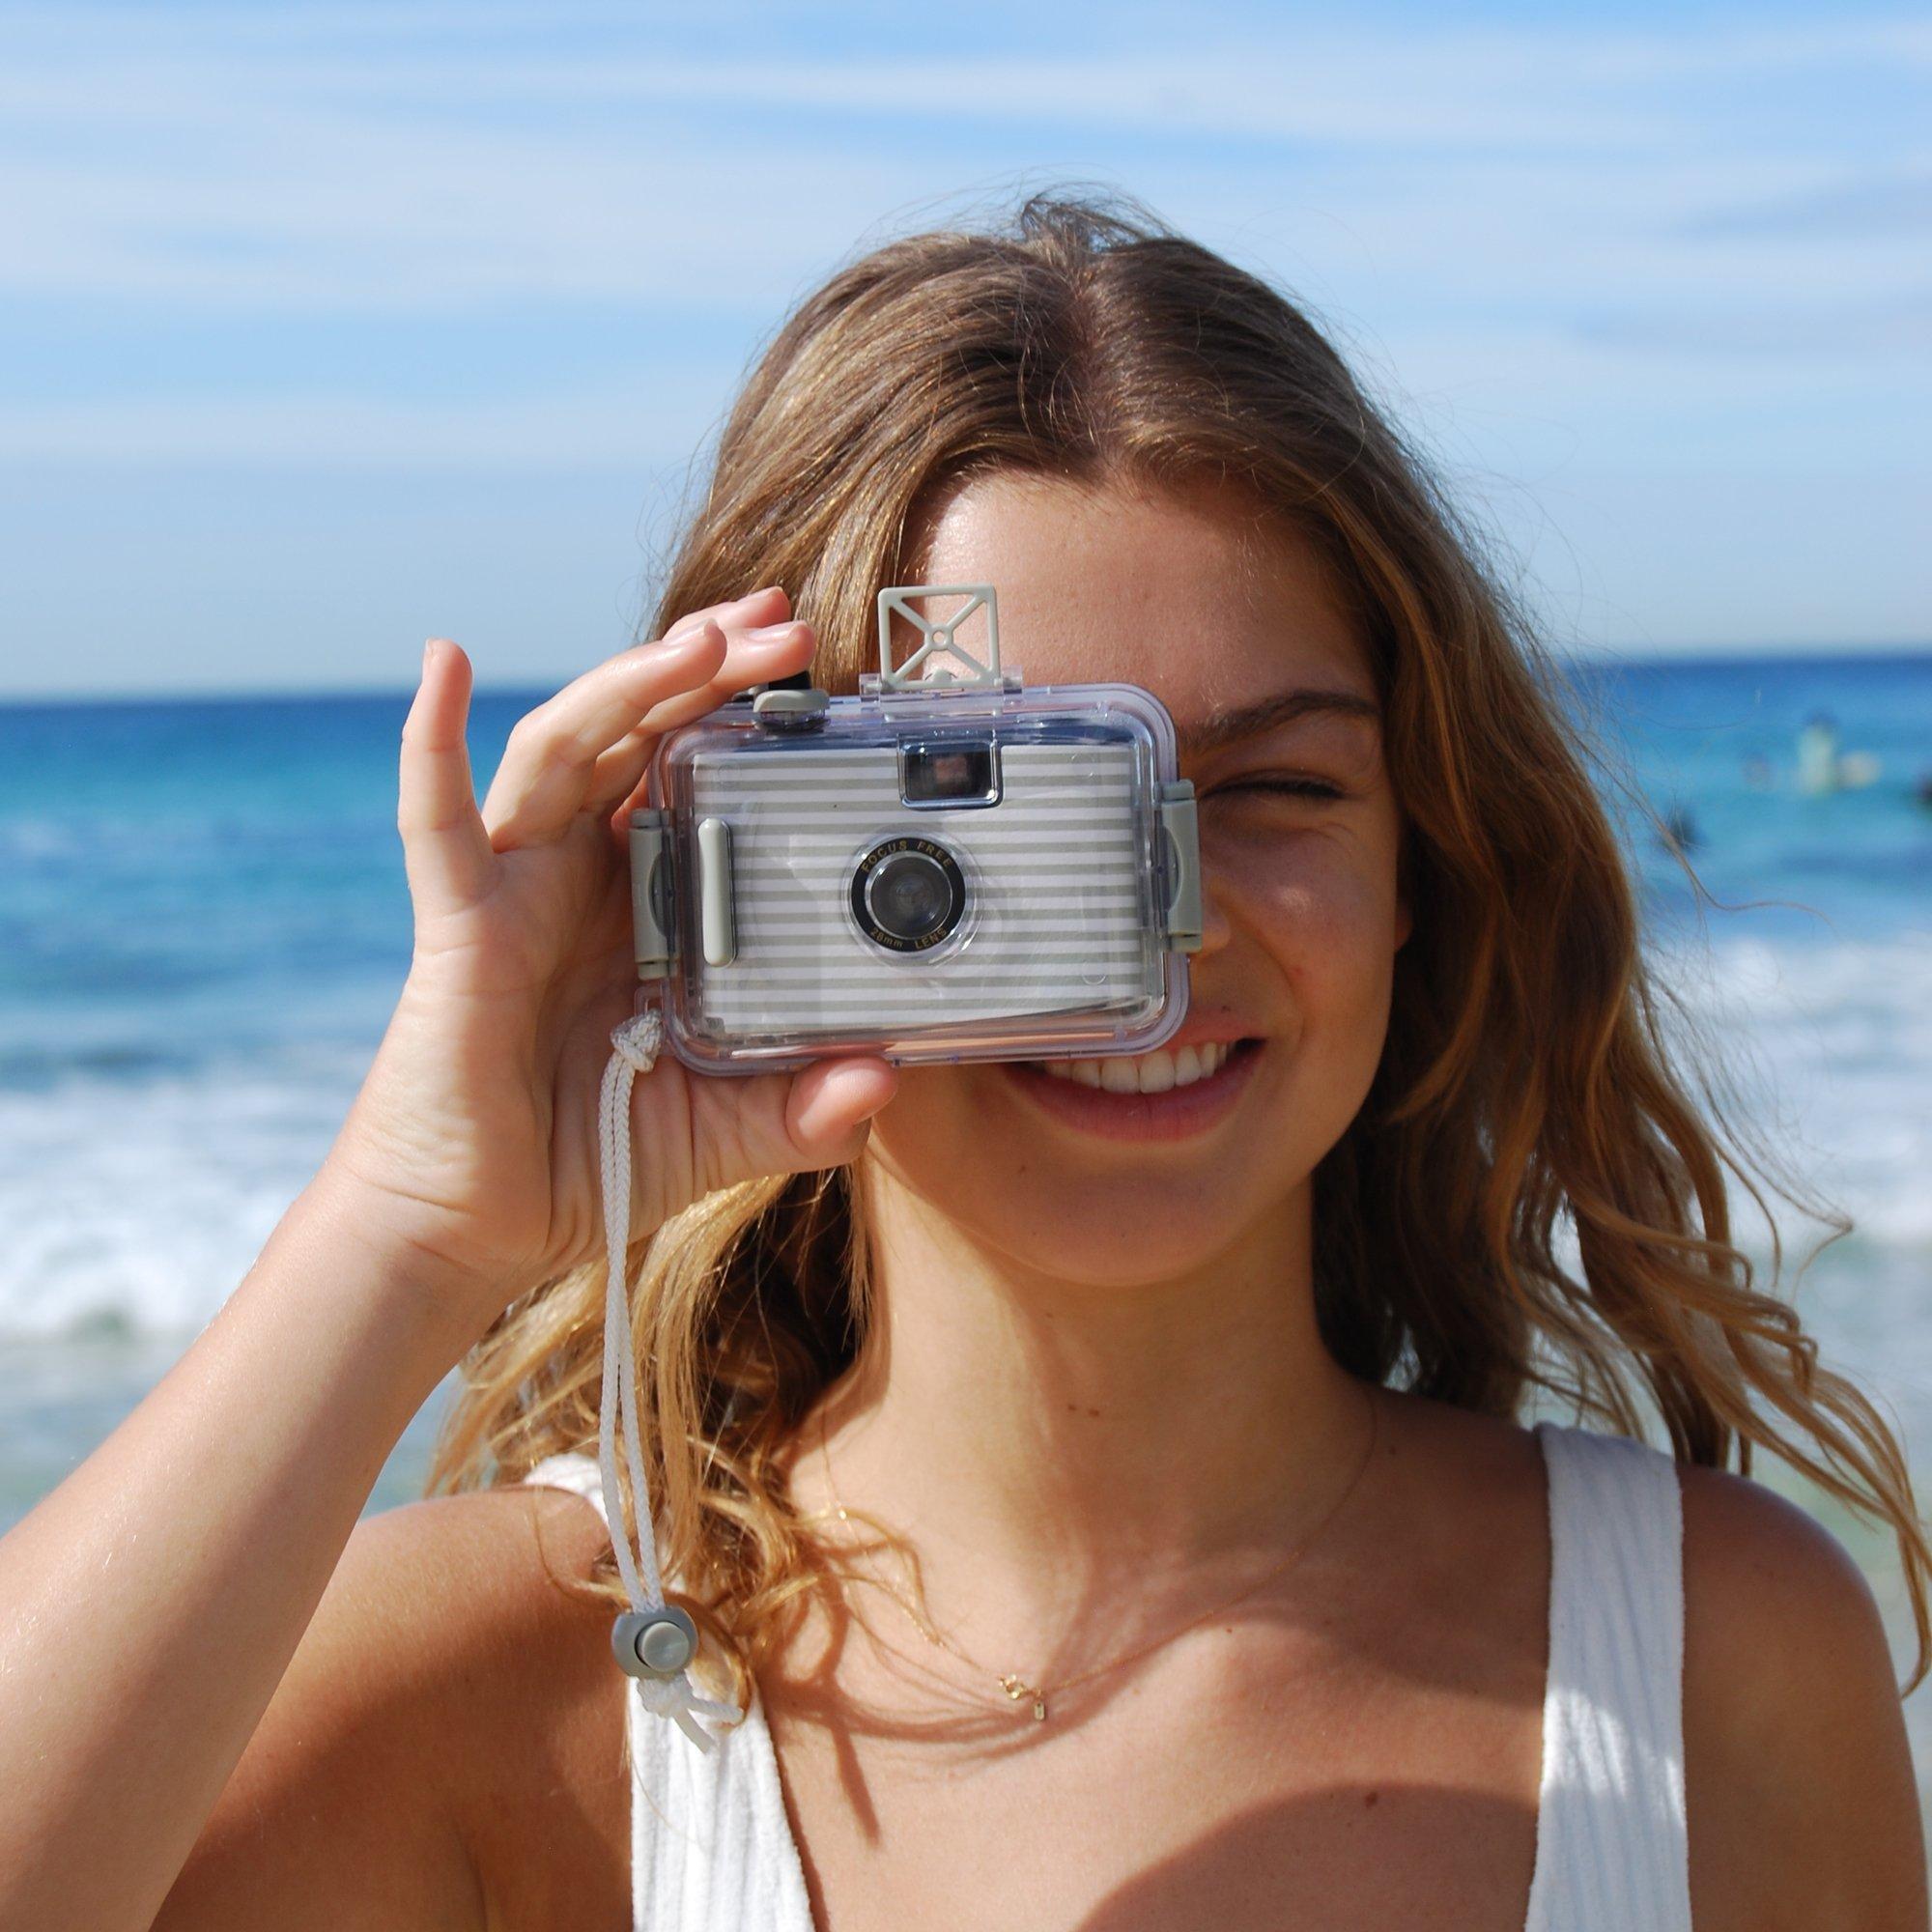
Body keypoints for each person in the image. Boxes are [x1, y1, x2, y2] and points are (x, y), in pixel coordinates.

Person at [2, 192, 1925, 1932]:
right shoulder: (492, 1682)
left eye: (1271, 788)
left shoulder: (1709, 1655)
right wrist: (409, 1222)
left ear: (1419, 863)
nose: (1162, 931)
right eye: (994, 830)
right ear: (750, 863)